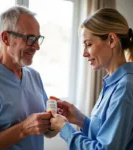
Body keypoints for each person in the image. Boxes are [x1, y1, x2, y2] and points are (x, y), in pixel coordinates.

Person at [50, 8, 133, 150]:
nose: (84, 53)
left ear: (111, 40)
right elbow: (106, 136)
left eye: (88, 44)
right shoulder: (112, 84)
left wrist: (64, 128)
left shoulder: (124, 88)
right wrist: (81, 120)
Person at [0, 6, 57, 150]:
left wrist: (54, 122)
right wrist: (23, 129)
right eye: (30, 38)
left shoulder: (34, 76)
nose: (36, 47)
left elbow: (47, 132)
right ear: (6, 38)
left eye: (38, 39)